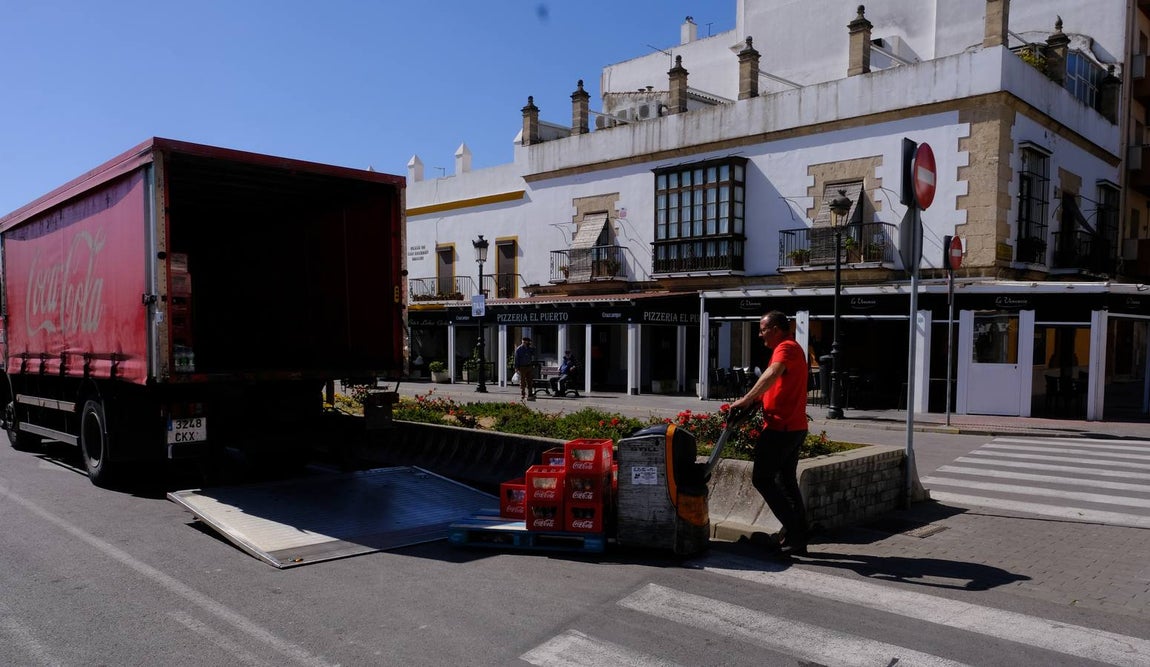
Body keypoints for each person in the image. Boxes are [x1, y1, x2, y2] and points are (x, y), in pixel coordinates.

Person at [730, 310, 810, 557]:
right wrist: (757, 402)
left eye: (763, 329)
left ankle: (796, 533)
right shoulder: (791, 348)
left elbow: (773, 374)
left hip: (781, 428)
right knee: (786, 481)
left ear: (775, 329)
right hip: (793, 426)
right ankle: (798, 536)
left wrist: (746, 398)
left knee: (762, 478)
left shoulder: (785, 348)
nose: (760, 334)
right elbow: (777, 383)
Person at [514, 336, 537, 401]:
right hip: (522, 367)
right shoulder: (519, 349)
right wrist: (516, 367)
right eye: (524, 341)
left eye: (526, 341)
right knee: (523, 381)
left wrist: (532, 346)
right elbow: (516, 359)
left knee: (529, 380)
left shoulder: (529, 348)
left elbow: (534, 353)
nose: (525, 342)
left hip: (529, 366)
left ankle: (530, 394)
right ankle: (523, 393)